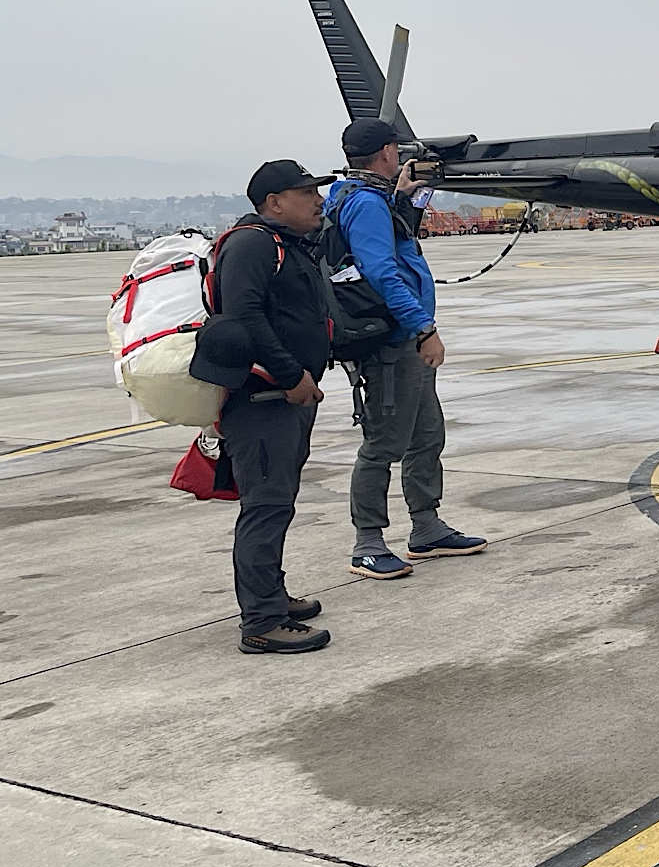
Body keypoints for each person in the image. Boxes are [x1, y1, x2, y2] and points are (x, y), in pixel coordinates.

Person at [326, 117, 487, 579]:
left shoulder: (355, 196)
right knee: (383, 444)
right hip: (395, 342)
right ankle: (368, 542)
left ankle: (427, 526)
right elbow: (382, 271)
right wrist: (422, 327)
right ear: (387, 153)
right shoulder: (367, 205)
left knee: (426, 434)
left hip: (399, 339)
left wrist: (404, 196)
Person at [199, 160, 336, 654]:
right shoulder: (254, 244)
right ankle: (261, 621)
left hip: (286, 397)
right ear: (274, 202)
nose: (317, 200)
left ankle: (272, 595)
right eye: (306, 193)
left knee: (278, 501)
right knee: (265, 506)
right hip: (264, 399)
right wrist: (290, 375)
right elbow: (244, 317)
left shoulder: (287, 244)